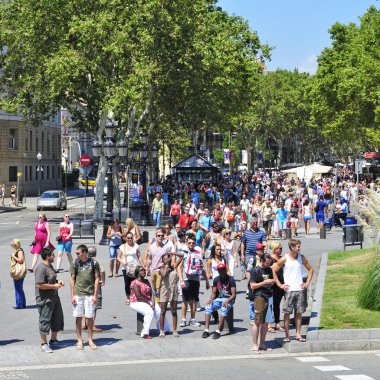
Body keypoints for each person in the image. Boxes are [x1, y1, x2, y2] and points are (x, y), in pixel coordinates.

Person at [272, 239, 314, 343]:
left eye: (299, 246)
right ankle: (287, 335)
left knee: (299, 313)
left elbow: (311, 269)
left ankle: (298, 334)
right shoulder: (284, 259)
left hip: (299, 289)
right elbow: (273, 270)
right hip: (289, 290)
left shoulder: (301, 257)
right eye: (297, 246)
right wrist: (279, 284)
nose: (299, 248)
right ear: (292, 247)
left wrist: (307, 283)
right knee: (287, 313)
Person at [70, 244, 100, 350]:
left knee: (90, 318)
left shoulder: (94, 263)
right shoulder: (75, 262)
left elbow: (97, 279)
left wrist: (95, 295)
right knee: (78, 317)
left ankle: (90, 339)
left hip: (90, 294)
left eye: (78, 253)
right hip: (78, 293)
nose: (77, 255)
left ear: (84, 253)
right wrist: (72, 295)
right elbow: (72, 279)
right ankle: (79, 340)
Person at [35, 247, 65, 353]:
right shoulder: (41, 268)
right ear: (47, 257)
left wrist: (58, 281)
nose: (54, 256)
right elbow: (39, 284)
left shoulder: (50, 265)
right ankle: (43, 343)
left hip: (54, 297)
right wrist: (53, 287)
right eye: (52, 255)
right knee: (45, 320)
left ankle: (53, 339)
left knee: (57, 318)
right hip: (45, 299)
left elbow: (51, 279)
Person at [177, 233, 210, 327]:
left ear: (195, 243)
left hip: (195, 279)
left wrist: (207, 281)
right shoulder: (183, 253)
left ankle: (193, 319)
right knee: (185, 300)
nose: (191, 244)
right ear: (187, 243)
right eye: (189, 243)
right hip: (186, 279)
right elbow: (179, 267)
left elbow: (201, 268)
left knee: (194, 300)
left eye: (193, 243)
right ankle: (183, 319)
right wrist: (181, 280)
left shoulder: (197, 253)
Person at [130, 266, 170, 339]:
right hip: (136, 302)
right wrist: (149, 304)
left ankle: (164, 329)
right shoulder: (135, 283)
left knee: (160, 311)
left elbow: (151, 293)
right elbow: (138, 296)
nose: (144, 271)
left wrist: (153, 303)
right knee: (149, 312)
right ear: (138, 273)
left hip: (148, 301)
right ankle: (145, 333)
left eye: (144, 270)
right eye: (141, 270)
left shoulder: (146, 281)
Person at [202, 263, 236, 339]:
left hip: (229, 299)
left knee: (223, 309)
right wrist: (211, 299)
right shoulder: (216, 279)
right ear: (218, 271)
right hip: (219, 299)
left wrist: (228, 300)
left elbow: (234, 294)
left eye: (223, 270)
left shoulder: (230, 279)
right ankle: (206, 330)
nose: (222, 272)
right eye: (220, 270)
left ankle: (218, 331)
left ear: (225, 270)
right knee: (208, 307)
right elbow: (214, 293)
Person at [250, 254, 275, 353]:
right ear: (261, 260)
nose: (268, 265)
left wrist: (271, 282)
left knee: (266, 322)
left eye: (269, 263)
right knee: (258, 321)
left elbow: (271, 279)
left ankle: (262, 343)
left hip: (269, 295)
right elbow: (252, 286)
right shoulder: (255, 270)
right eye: (266, 263)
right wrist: (265, 282)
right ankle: (255, 345)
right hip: (259, 296)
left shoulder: (269, 269)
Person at [159, 251, 184, 337]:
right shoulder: (161, 267)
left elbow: (182, 256)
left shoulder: (174, 266)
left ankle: (174, 330)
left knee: (174, 311)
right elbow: (163, 274)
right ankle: (162, 330)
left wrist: (173, 253)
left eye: (168, 258)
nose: (167, 259)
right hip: (164, 290)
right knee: (163, 311)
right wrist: (166, 266)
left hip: (174, 290)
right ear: (163, 260)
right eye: (165, 259)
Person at [117, 231, 144, 304]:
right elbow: (118, 257)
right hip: (126, 267)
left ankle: (135, 296)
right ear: (125, 238)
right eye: (128, 238)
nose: (130, 239)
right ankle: (128, 297)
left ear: (133, 238)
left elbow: (139, 256)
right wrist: (123, 262)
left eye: (131, 238)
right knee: (127, 283)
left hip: (135, 267)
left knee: (135, 282)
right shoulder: (123, 247)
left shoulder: (136, 246)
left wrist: (143, 265)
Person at [147, 229, 173, 302]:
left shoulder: (165, 248)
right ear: (156, 237)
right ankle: (157, 300)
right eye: (159, 236)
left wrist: (166, 267)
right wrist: (147, 267)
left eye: (162, 236)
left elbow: (169, 259)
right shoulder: (152, 246)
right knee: (154, 288)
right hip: (152, 270)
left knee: (159, 288)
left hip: (160, 271)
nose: (160, 237)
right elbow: (149, 258)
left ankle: (158, 303)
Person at [84, 246, 105, 333]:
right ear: (95, 253)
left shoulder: (82, 261)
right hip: (94, 286)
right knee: (94, 306)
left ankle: (84, 323)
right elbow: (102, 271)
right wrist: (102, 280)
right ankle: (91, 325)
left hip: (84, 286)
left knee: (85, 304)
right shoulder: (95, 262)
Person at [267, 242, 285, 333]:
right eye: (279, 248)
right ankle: (269, 324)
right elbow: (268, 269)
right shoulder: (270, 258)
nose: (281, 249)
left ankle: (277, 323)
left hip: (281, 283)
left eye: (281, 248)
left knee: (277, 304)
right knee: (270, 304)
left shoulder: (282, 258)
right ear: (274, 249)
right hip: (272, 284)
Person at [10, 239, 26, 309]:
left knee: (18, 288)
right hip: (18, 272)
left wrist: (13, 256)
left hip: (19, 271)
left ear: (16, 245)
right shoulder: (18, 250)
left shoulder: (19, 251)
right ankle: (22, 304)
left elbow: (21, 260)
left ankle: (19, 305)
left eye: (12, 244)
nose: (11, 245)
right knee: (19, 288)